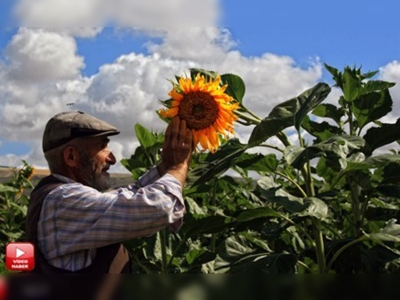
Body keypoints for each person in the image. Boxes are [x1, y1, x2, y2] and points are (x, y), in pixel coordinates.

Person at [25, 110, 193, 275]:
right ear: (71, 156)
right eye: (102, 146)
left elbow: (125, 197)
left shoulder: (63, 199)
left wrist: (165, 166)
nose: (112, 158)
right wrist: (177, 167)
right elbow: (158, 207)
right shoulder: (63, 199)